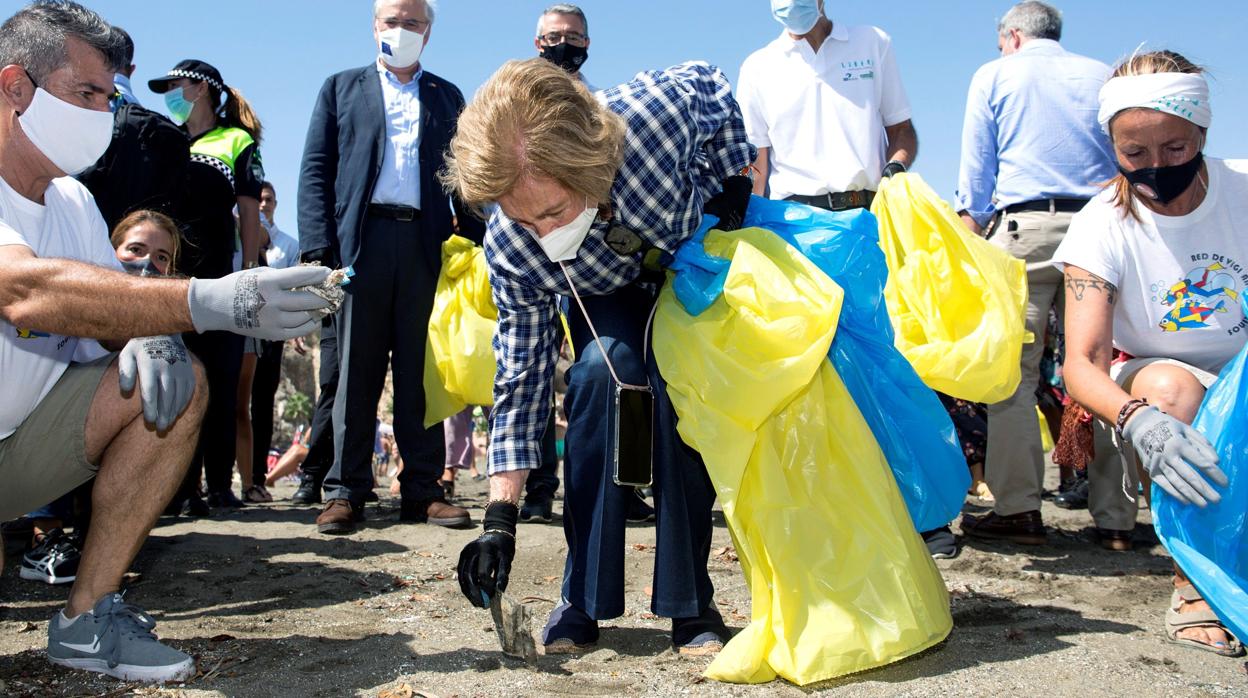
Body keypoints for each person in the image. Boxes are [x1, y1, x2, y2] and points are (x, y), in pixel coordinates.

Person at [0, 0, 332, 681]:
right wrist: (212, 299)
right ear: (14, 86)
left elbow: (109, 309)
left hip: (19, 448)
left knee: (175, 384)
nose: (104, 111)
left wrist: (146, 334)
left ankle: (87, 618)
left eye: (107, 93)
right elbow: (23, 290)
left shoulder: (72, 201)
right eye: (86, 93)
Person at [444, 57, 755, 655]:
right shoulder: (513, 246)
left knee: (674, 389)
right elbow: (522, 375)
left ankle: (691, 604)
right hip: (600, 298)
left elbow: (710, 82)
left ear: (589, 167)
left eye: (554, 212)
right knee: (597, 375)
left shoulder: (655, 120)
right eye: (520, 217)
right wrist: (499, 521)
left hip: (687, 265)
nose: (539, 232)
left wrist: (734, 178)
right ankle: (581, 597)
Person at [1054, 49, 1245, 658]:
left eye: (1176, 150)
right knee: (1170, 392)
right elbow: (1080, 362)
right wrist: (1140, 421)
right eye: (1134, 155)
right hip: (1160, 374)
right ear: (1112, 146)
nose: (1155, 168)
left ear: (1203, 134)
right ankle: (1193, 583)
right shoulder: (1101, 225)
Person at [298, 0, 484, 534]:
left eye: (412, 23)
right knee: (354, 371)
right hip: (360, 244)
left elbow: (467, 171)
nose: (401, 31)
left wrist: (469, 235)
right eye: (391, 21)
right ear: (374, 26)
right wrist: (318, 248)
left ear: (428, 32)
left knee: (420, 372)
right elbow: (316, 169)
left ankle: (423, 489)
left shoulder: (447, 95)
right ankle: (344, 490)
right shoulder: (340, 88)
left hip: (427, 245)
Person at [954, 2, 1119, 547]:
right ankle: (1116, 520)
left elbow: (977, 171)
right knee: (1099, 368)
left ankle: (1020, 510)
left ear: (1013, 36)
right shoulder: (1101, 74)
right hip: (1099, 228)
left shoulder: (995, 74)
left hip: (1023, 232)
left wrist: (968, 229)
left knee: (1014, 378)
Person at [18, 208, 182, 586]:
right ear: (109, 252)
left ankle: (103, 541)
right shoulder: (68, 291)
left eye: (162, 257)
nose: (147, 263)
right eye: (135, 249)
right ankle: (45, 535)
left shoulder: (164, 324)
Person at [147, 58, 267, 511]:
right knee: (177, 377)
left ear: (200, 89)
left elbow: (250, 212)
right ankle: (179, 488)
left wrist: (250, 270)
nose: (169, 94)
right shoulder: (166, 139)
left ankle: (218, 484)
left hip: (219, 274)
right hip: (169, 277)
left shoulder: (237, 140)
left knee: (218, 379)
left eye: (175, 85)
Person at [737, 0, 917, 206]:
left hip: (870, 217)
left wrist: (895, 167)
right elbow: (755, 167)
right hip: (794, 224)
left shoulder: (873, 42)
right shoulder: (756, 68)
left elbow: (901, 129)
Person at [246, 180, 303, 503]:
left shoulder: (288, 245)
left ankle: (256, 476)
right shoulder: (240, 231)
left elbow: (292, 291)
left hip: (271, 332)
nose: (263, 203)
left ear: (275, 203)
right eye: (259, 199)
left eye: (268, 199)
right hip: (241, 327)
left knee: (263, 403)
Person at [535, 3, 593, 89]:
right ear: (538, 44)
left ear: (586, 43)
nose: (563, 43)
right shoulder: (517, 98)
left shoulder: (604, 100)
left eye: (573, 38)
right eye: (553, 37)